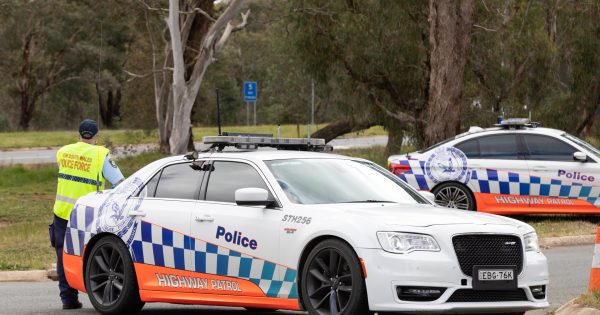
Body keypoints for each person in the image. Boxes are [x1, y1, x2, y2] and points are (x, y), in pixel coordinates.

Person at [50, 119, 124, 310]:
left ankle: (68, 300)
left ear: (79, 134)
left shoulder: (63, 152)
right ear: (96, 136)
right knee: (90, 254)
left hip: (62, 212)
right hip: (87, 213)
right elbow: (120, 182)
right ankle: (101, 296)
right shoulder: (100, 155)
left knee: (62, 255)